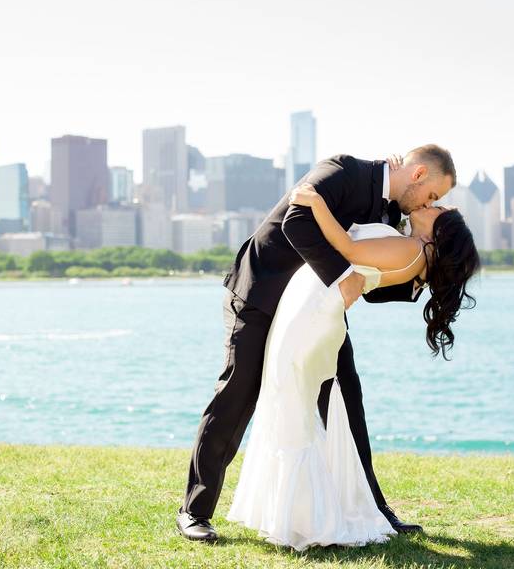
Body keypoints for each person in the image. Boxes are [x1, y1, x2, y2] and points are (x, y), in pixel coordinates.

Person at [178, 147, 457, 543]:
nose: (430, 204)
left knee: (346, 402)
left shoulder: (392, 215)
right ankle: (194, 511)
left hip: (316, 312)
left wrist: (418, 277)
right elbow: (296, 222)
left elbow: (369, 281)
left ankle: (372, 509)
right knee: (237, 395)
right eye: (432, 195)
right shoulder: (343, 170)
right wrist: (342, 276)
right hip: (261, 293)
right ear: (419, 174)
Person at [224, 184, 480, 550]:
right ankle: (301, 512)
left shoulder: (412, 249)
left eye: (438, 208)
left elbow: (348, 248)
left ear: (441, 232)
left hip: (313, 310)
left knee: (292, 403)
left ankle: (308, 518)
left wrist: (315, 202)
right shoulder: (414, 251)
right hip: (314, 303)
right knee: (292, 402)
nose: (431, 204)